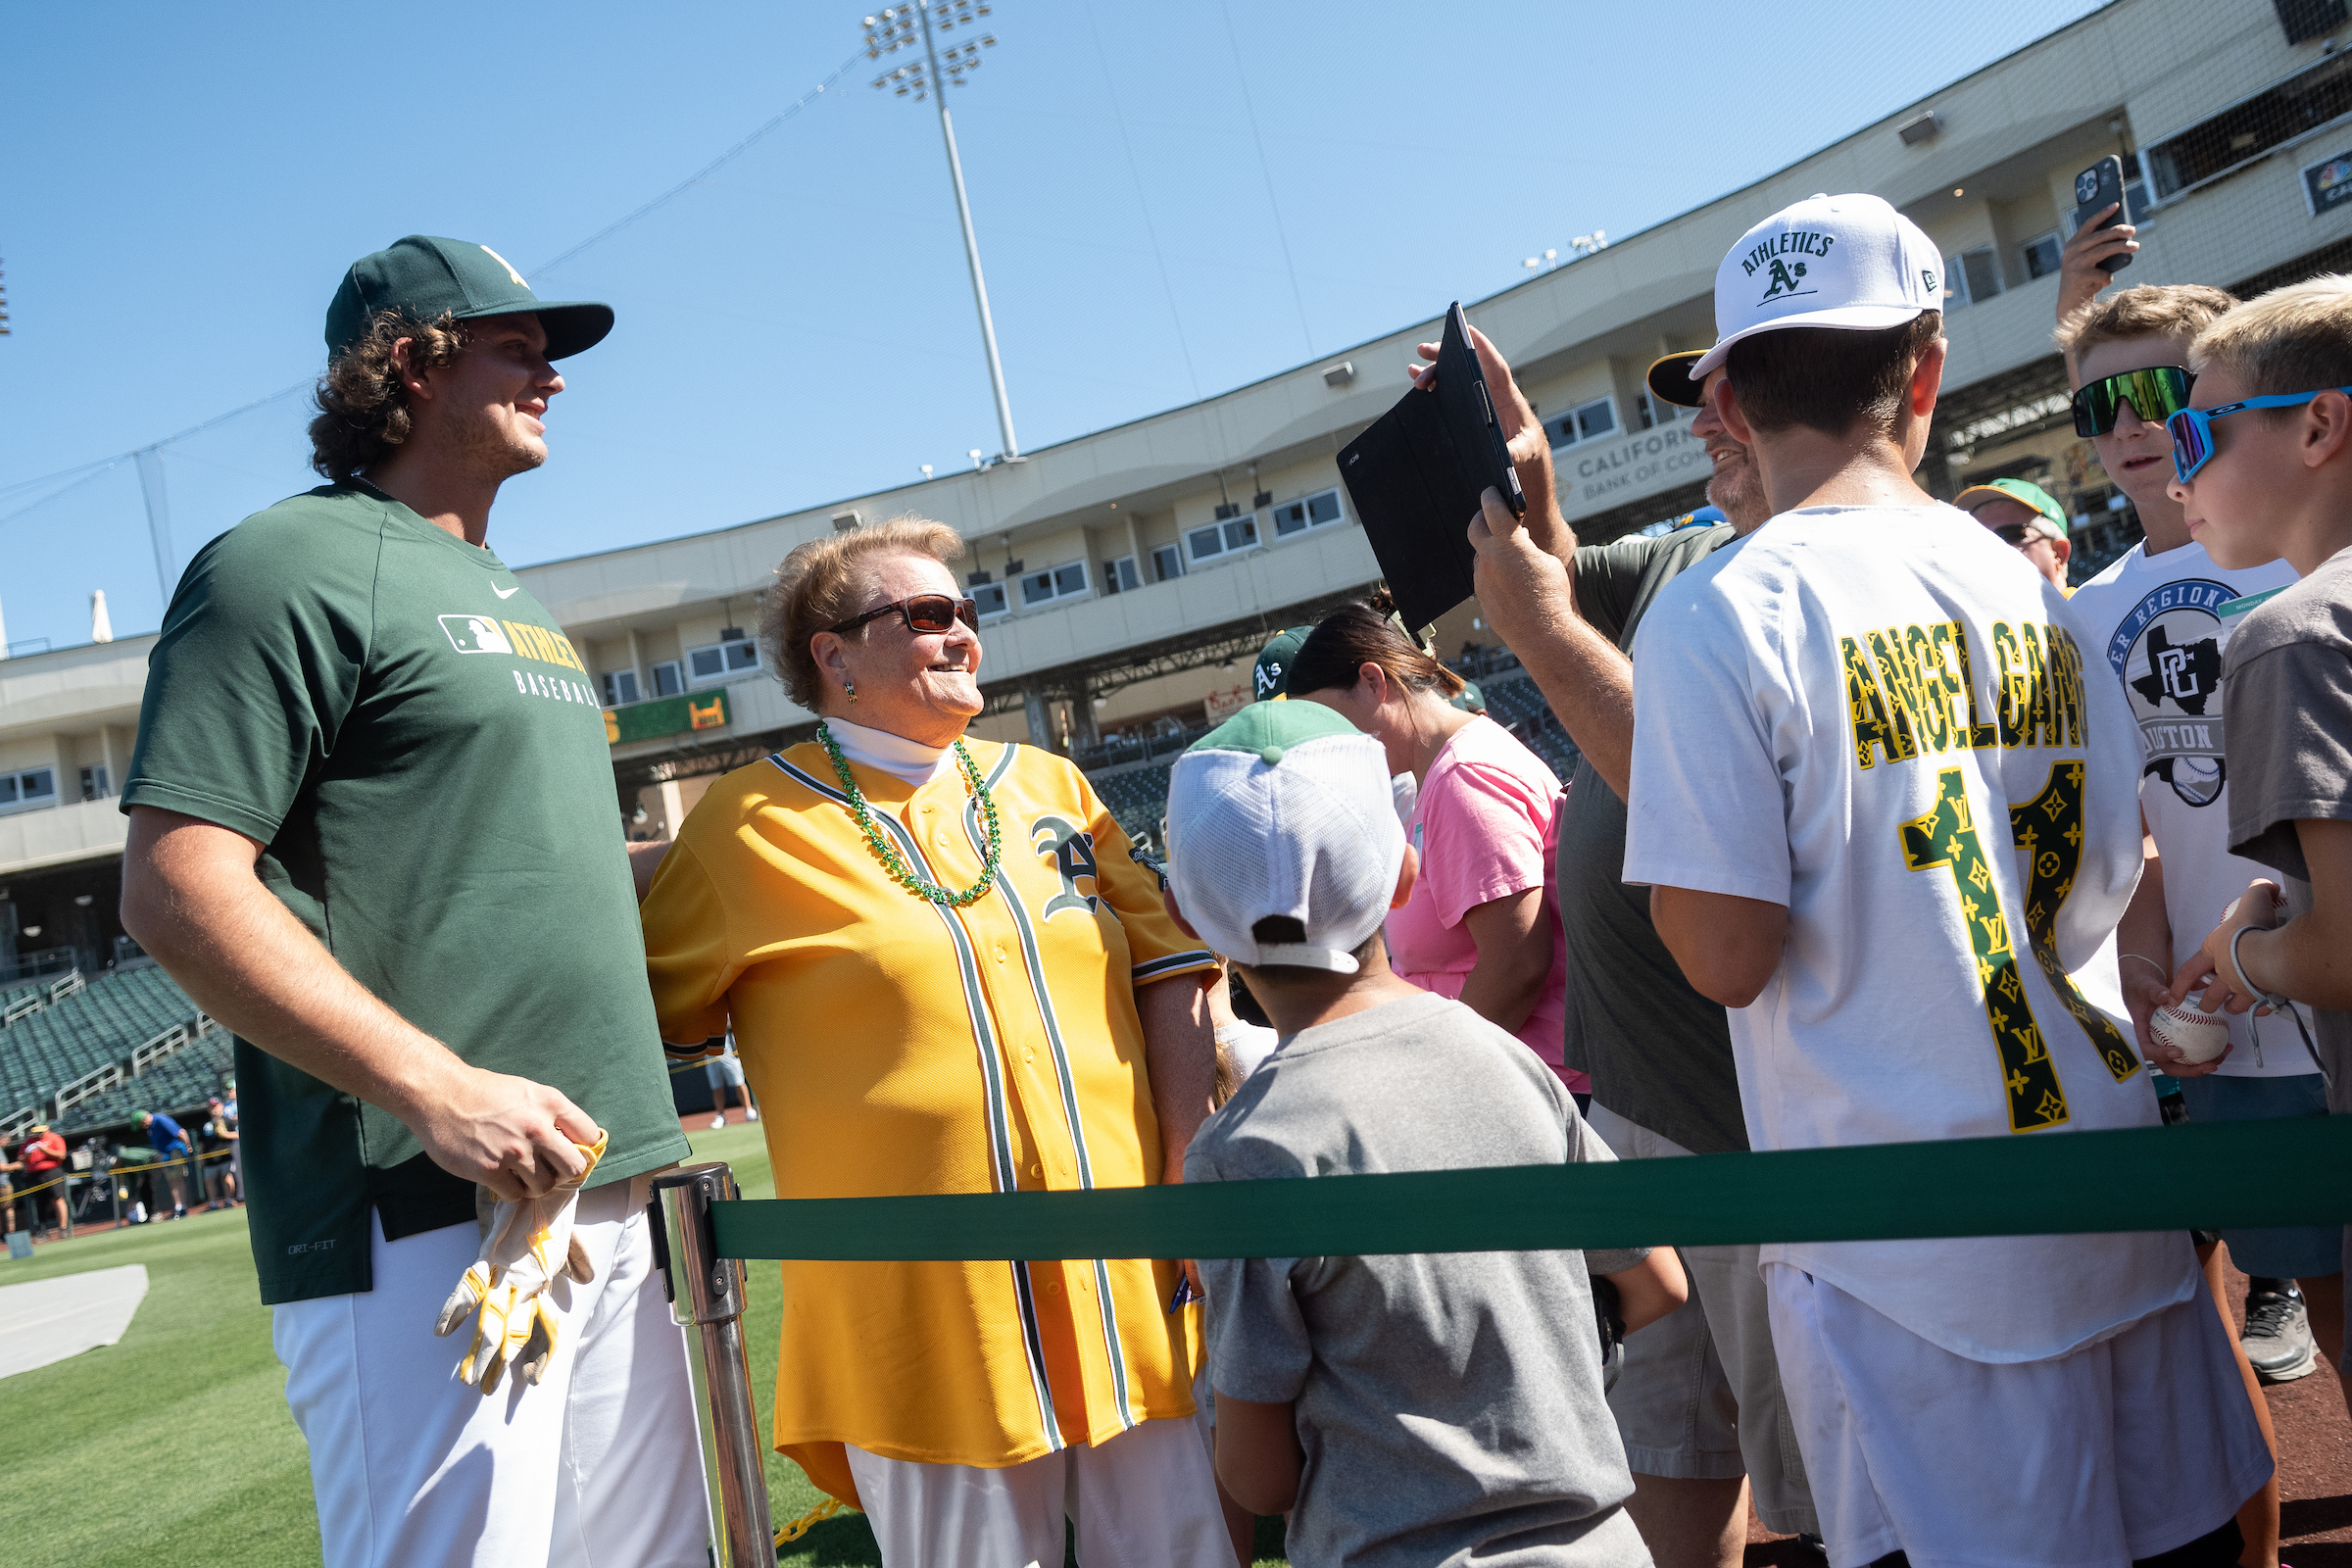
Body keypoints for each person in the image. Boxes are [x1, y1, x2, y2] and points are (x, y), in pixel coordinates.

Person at [1593, 192, 2268, 1564]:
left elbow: (1724, 956)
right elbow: (2118, 861)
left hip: (1899, 1252)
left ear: (1726, 395)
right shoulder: (2040, 590)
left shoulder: (1727, 608)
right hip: (2097, 1179)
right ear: (1926, 367)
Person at [117, 235, 705, 1568]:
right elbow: (175, 884)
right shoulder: (281, 562)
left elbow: (515, 884)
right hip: (418, 1211)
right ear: (410, 360)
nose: (550, 372)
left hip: (606, 1185)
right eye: (515, 342)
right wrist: (436, 1087)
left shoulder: (513, 596)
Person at [637, 516, 1229, 1567]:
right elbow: (643, 1012)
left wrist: (1190, 1165)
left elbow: (1174, 969)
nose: (963, 634)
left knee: (1180, 1552)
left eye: (966, 612)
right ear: (834, 655)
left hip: (1126, 1275)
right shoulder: (745, 824)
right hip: (922, 1313)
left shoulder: (1052, 786)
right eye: (925, 615)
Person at [1167, 699, 1685, 1567]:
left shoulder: (1242, 1152)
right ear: (1404, 873)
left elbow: (1259, 1480)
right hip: (1599, 1543)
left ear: (1189, 919)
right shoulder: (1504, 1056)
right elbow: (1656, 1282)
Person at [1459, 335, 1822, 1561]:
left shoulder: (1813, 585)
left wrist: (1547, 636)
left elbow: (1711, 830)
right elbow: (1557, 574)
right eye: (1701, 408)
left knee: (1830, 1487)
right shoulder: (1687, 555)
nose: (1712, 427)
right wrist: (1528, 477)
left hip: (1754, 1125)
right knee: (1669, 1448)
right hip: (1638, 1107)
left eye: (1738, 405)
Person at [2055, 279, 2310, 1566]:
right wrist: (2151, 965)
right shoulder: (2087, 612)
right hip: (2222, 1032)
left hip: (2328, 988)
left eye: (2163, 389)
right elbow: (2137, 832)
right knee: (2228, 1333)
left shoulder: (2299, 548)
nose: (2135, 422)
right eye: (2104, 400)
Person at [2163, 273, 2352, 1433]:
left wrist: (2252, 943)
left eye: (2199, 429)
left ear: (2321, 426)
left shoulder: (2291, 636)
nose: (2181, 472)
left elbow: (2343, 956)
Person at [1286, 601, 1584, 1096]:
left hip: (1540, 1086)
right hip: (1523, 1080)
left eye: (1329, 723)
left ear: (1372, 682)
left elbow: (1516, 963)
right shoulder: (1441, 773)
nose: (1327, 746)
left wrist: (1435, 1078)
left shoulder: (1463, 777)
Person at [1955, 477, 2073, 592]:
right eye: (1979, 541)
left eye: (2009, 534)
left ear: (2058, 553)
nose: (1992, 549)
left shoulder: (2086, 609)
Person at [16, 1123, 67, 1239]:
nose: (39, 1134)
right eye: (37, 1132)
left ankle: (63, 1228)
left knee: (58, 1199)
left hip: (52, 1171)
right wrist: (28, 1154)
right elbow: (20, 1158)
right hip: (35, 1174)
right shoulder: (29, 1142)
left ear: (46, 1130)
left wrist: (45, 1150)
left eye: (41, 1132)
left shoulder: (55, 1138)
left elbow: (62, 1155)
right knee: (40, 1203)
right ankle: (43, 1231)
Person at [139, 1111, 193, 1220]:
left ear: (144, 1120)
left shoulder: (160, 1119)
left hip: (174, 1151)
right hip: (165, 1155)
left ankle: (182, 1208)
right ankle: (178, 1208)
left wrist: (188, 1145)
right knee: (171, 1180)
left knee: (178, 1179)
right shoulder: (151, 1127)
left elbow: (181, 1132)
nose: (142, 1127)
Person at [702, 1033, 756, 1130]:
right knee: (716, 1087)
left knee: (739, 1083)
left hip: (729, 1051)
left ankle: (749, 1111)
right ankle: (720, 1116)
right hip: (710, 1053)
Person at [201, 1095, 239, 1208]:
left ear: (221, 1106)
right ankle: (213, 1203)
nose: (214, 1109)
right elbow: (201, 1143)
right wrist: (201, 1157)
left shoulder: (228, 1121)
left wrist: (225, 1134)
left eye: (216, 1106)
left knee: (226, 1176)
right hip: (209, 1157)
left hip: (225, 1155)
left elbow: (239, 1134)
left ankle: (229, 1200)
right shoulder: (205, 1124)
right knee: (209, 1180)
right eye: (211, 1107)